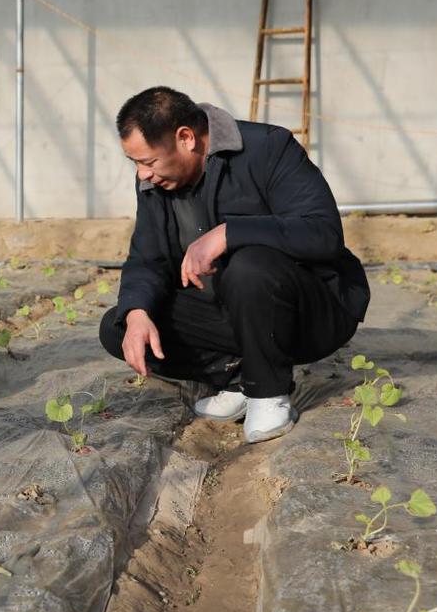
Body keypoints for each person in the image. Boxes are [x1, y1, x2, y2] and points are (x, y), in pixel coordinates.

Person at [98, 86, 369, 443]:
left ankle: (269, 393)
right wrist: (137, 313)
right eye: (135, 163)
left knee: (249, 265)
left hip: (311, 312)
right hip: (229, 312)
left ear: (185, 138)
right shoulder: (154, 184)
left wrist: (228, 233)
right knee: (119, 326)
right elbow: (148, 258)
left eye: (148, 161)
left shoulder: (268, 148)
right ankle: (239, 380)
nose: (142, 174)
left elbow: (322, 233)